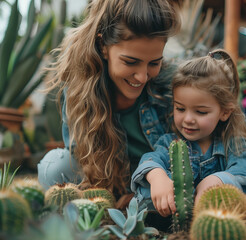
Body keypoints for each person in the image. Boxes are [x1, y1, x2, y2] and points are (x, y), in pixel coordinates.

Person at [37, 0, 181, 201]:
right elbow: (82, 161)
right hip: (105, 187)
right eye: (130, 62)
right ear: (103, 46)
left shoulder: (171, 86)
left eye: (154, 63)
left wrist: (139, 193)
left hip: (159, 190)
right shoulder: (80, 90)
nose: (142, 76)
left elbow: (189, 158)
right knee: (55, 166)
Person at [131, 49, 246, 218]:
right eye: (180, 108)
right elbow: (151, 159)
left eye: (200, 112)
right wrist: (157, 177)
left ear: (224, 112)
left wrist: (218, 180)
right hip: (176, 219)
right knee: (145, 191)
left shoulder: (233, 143)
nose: (188, 119)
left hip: (218, 219)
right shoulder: (170, 143)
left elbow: (244, 175)